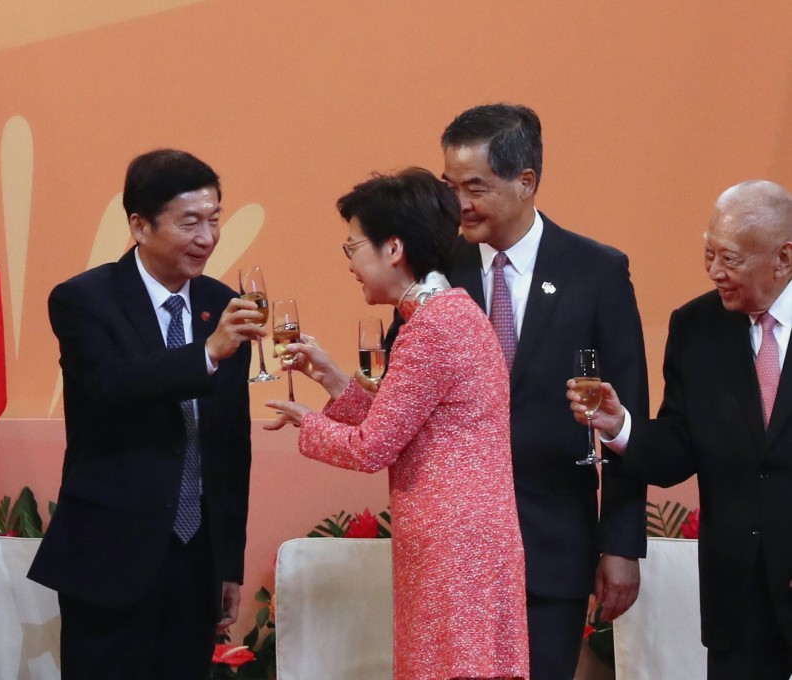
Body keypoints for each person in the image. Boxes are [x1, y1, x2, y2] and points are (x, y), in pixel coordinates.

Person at [268, 168, 529, 680]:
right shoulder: (450, 313)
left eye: (352, 248)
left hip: (453, 543)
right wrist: (334, 379)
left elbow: (371, 448)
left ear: (393, 248)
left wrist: (307, 423)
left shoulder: (430, 328)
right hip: (468, 538)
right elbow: (405, 425)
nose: (350, 265)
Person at [430, 103, 650, 680]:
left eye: (475, 187)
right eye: (451, 187)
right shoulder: (435, 272)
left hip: (552, 545)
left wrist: (622, 544)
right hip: (456, 554)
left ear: (526, 181)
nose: (460, 204)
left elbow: (627, 415)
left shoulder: (596, 271)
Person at [27, 149, 261, 679]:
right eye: (190, 222)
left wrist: (228, 564)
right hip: (111, 554)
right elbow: (112, 386)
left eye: (215, 219)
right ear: (139, 225)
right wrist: (206, 353)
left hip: (194, 556)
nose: (208, 237)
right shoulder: (83, 299)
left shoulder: (221, 305)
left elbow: (230, 447)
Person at [568, 180, 792, 680]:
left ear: (783, 257)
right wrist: (620, 426)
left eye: (730, 259)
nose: (715, 272)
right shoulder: (696, 326)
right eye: (708, 253)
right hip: (739, 601)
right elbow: (679, 448)